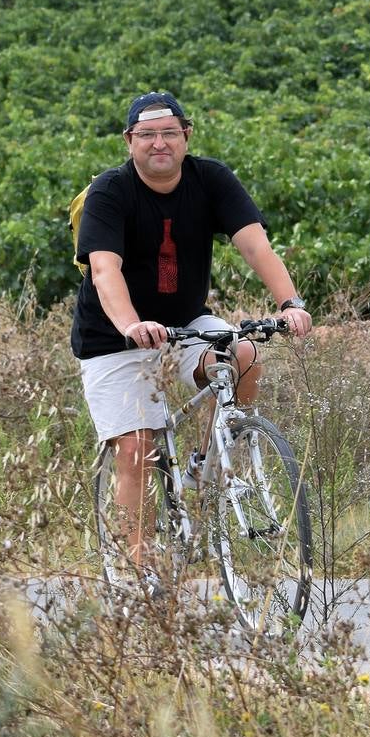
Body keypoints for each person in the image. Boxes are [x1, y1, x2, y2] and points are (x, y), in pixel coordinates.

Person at [71, 90, 312, 581]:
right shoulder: (110, 192)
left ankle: (211, 469)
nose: (158, 143)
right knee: (139, 448)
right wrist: (131, 325)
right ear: (129, 141)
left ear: (186, 135)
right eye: (146, 135)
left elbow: (254, 244)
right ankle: (139, 574)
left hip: (184, 322)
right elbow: (104, 270)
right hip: (112, 337)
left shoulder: (211, 179)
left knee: (241, 354)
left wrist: (289, 303)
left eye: (168, 133)